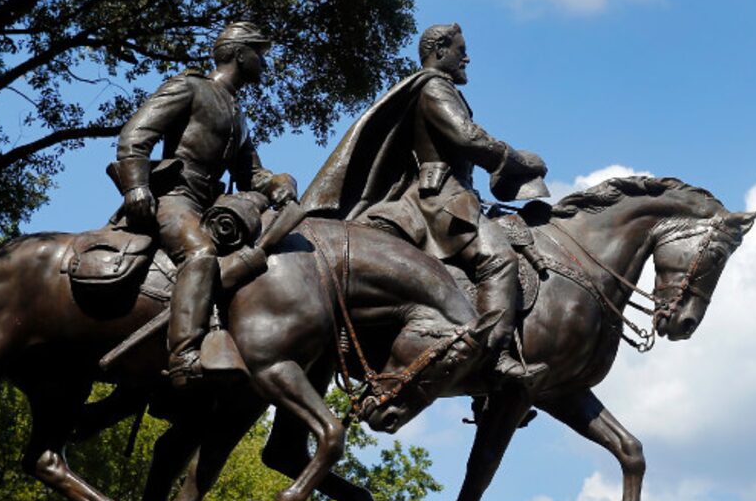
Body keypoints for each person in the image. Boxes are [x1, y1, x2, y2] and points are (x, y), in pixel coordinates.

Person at [303, 23, 549, 384]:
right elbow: (467, 137)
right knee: (498, 259)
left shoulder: (436, 88)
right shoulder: (435, 87)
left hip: (448, 194)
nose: (466, 57)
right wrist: (519, 160)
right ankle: (490, 357)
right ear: (438, 51)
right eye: (460, 50)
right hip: (442, 200)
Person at [112, 21, 290, 387]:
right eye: (259, 53)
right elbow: (135, 134)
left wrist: (277, 183)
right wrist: (136, 186)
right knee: (200, 253)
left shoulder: (238, 117)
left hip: (210, 207)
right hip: (174, 198)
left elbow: (250, 175)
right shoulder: (189, 87)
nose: (264, 63)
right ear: (240, 54)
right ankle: (184, 357)